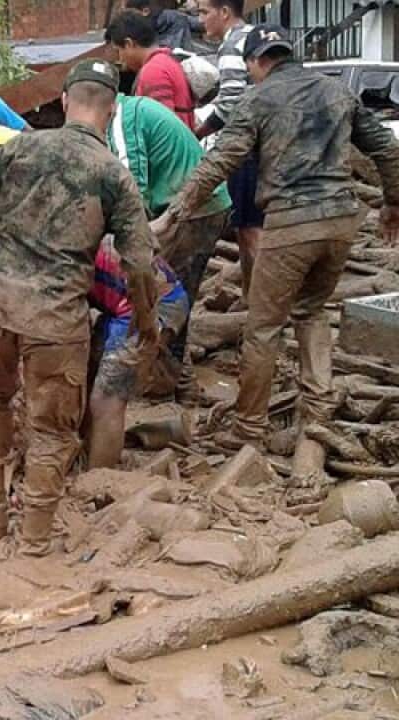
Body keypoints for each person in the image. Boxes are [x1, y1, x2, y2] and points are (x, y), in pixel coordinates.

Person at [0, 59, 158, 555]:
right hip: (56, 321)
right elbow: (141, 264)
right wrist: (146, 323)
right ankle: (37, 539)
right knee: (50, 429)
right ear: (109, 111)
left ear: (64, 101)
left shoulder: (17, 148)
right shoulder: (113, 175)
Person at [152, 25, 399, 452]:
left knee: (263, 327)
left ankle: (248, 427)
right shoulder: (337, 92)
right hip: (341, 222)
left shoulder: (258, 98)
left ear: (255, 62)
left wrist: (174, 214)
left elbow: (219, 163)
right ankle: (318, 412)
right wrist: (392, 204)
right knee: (311, 310)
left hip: (292, 223)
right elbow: (387, 149)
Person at [109, 92, 230, 399]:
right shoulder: (135, 109)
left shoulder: (123, 118)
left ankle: (173, 383)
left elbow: (133, 187)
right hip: (196, 205)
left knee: (168, 294)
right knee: (174, 292)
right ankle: (177, 378)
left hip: (191, 211)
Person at [87, 243, 190, 468]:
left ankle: (98, 478)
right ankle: (90, 453)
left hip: (151, 306)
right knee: (89, 377)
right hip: (125, 301)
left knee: (107, 397)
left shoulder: (51, 252)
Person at [196, 0, 260, 294]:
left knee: (248, 228)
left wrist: (197, 132)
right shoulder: (255, 35)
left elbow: (230, 103)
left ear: (224, 13)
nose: (201, 20)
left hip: (247, 147)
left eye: (203, 12)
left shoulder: (232, 45)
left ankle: (258, 298)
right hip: (272, 142)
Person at [108, 10, 196, 129]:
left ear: (128, 44)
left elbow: (162, 129)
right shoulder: (166, 60)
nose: (120, 59)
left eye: (119, 51)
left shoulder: (154, 72)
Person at [126, 0, 203, 51]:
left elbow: (201, 23)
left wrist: (198, 8)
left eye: (132, 16)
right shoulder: (142, 30)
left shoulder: (176, 17)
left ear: (145, 11)